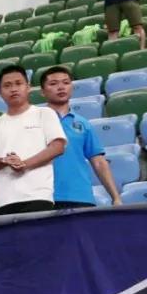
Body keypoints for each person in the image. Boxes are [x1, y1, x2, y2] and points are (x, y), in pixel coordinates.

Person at [0, 65, 67, 215]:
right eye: (7, 85)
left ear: (28, 87)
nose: (13, 89)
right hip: (2, 201)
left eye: (18, 83)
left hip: (38, 196)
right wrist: (5, 160)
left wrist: (24, 164)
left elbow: (57, 147)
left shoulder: (45, 113)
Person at [40, 66, 122, 208]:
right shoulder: (34, 121)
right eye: (53, 84)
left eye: (66, 82)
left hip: (81, 196)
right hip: (44, 196)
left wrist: (116, 197)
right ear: (42, 91)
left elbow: (99, 162)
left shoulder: (83, 123)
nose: (61, 87)